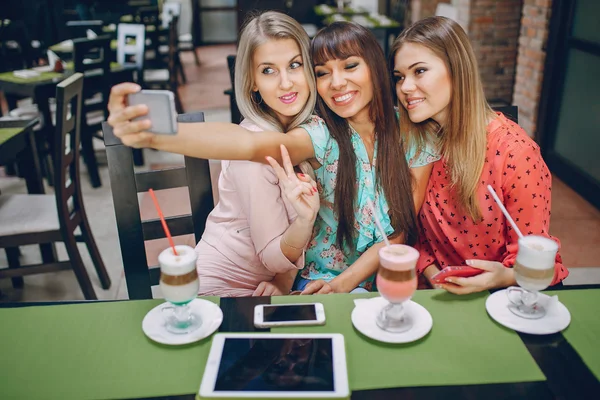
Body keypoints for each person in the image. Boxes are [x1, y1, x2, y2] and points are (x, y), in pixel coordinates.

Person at [107, 22, 438, 295]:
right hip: (314, 283)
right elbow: (250, 146)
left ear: (376, 68)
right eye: (322, 72)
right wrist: (158, 135)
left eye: (350, 66)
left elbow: (400, 230)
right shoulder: (320, 134)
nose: (337, 83)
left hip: (377, 283)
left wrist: (344, 285)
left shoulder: (412, 134)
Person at [389, 16, 569, 294]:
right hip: (432, 292)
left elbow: (542, 262)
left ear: (457, 70)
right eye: (399, 77)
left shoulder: (515, 153)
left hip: (499, 297)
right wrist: (434, 276)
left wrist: (501, 278)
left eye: (420, 71)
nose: (405, 88)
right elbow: (415, 236)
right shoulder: (414, 143)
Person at [192, 11, 322, 297]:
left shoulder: (311, 131)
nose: (285, 83)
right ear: (252, 82)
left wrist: (283, 283)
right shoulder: (254, 151)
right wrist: (304, 220)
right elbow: (272, 257)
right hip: (219, 286)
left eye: (294, 65)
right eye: (268, 70)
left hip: (269, 288)